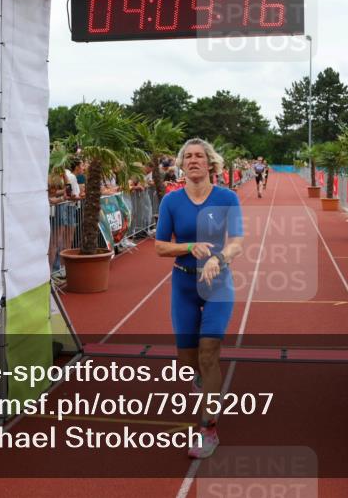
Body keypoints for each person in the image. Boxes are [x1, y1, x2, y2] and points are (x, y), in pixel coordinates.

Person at [155, 138, 243, 459]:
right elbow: (160, 246)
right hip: (183, 284)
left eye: (199, 156)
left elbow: (236, 242)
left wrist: (218, 258)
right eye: (188, 156)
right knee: (189, 362)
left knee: (209, 355)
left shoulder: (227, 198)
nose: (193, 160)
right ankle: (200, 381)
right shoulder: (171, 203)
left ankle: (209, 429)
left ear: (210, 163)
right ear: (182, 164)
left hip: (218, 282)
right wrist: (189, 248)